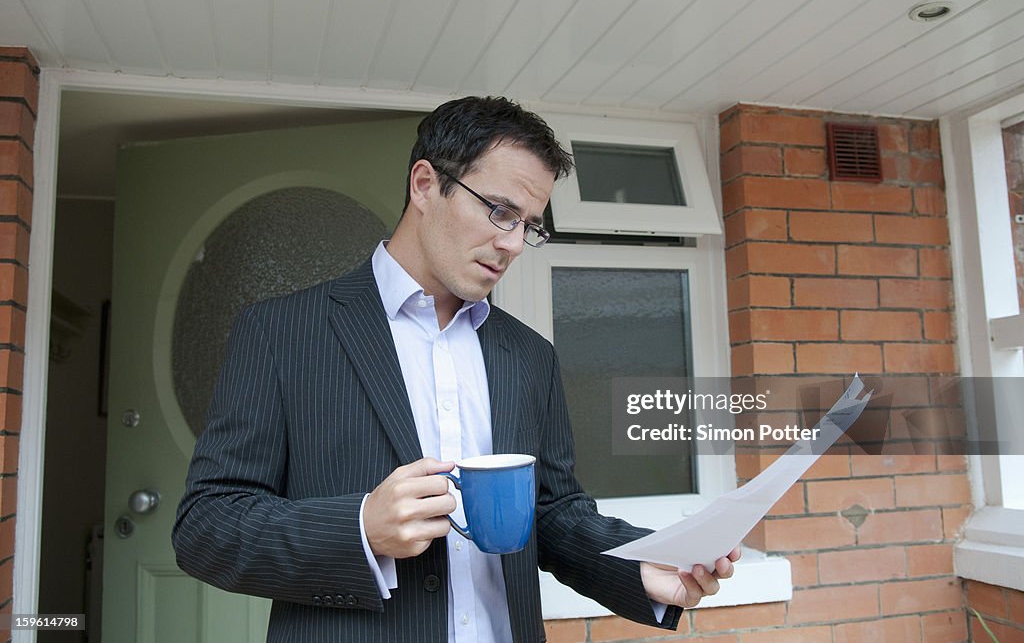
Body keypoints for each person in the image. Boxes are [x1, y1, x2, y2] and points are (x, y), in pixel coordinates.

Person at [172, 96, 739, 643]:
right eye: (499, 211)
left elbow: (554, 512)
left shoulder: (530, 355)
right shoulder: (280, 333)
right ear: (425, 185)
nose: (513, 243)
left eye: (529, 226)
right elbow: (206, 527)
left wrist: (639, 566)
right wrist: (360, 529)